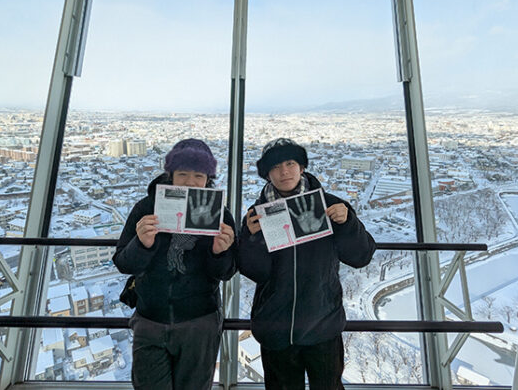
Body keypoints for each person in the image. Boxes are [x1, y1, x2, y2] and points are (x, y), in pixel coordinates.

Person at [238, 138, 376, 390]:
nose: (284, 172)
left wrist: (347, 224)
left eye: (290, 163)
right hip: (276, 328)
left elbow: (361, 256)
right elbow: (256, 272)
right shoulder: (256, 215)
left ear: (302, 167)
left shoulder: (331, 206)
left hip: (323, 325)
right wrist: (250, 239)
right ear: (267, 174)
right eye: (275, 166)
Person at [113, 138, 236, 390]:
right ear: (170, 176)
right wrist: (142, 244)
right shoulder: (146, 208)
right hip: (150, 319)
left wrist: (220, 253)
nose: (190, 182)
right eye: (182, 174)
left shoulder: (219, 215)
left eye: (198, 175)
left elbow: (227, 272)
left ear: (208, 179)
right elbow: (124, 263)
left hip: (199, 321)